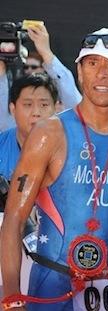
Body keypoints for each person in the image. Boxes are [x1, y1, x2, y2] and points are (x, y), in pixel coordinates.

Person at [0, 27, 108, 311]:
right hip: (52, 289)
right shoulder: (49, 132)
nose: (101, 74)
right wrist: (11, 297)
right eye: (92, 63)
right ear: (79, 72)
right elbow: (13, 220)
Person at [0, 73, 58, 211]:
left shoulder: (72, 151)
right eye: (28, 104)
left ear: (56, 108)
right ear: (13, 109)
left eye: (44, 105)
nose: (36, 112)